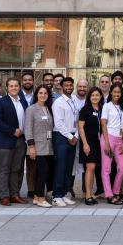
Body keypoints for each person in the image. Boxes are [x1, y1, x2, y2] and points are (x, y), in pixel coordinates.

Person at [0, 77, 28, 206]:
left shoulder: (23, 102)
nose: (14, 88)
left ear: (19, 87)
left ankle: (14, 195)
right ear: (7, 88)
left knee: (16, 169)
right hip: (5, 141)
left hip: (21, 141)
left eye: (16, 86)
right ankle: (4, 196)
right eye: (11, 86)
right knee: (4, 169)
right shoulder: (0, 102)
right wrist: (13, 131)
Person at [25, 85, 54, 208]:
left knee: (43, 173)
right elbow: (28, 129)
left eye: (45, 93)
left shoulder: (49, 108)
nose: (43, 95)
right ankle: (41, 198)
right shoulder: (31, 109)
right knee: (43, 171)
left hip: (48, 146)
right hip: (37, 146)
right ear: (36, 94)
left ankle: (36, 197)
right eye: (41, 93)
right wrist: (31, 147)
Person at [52, 77, 79, 207]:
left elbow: (78, 120)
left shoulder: (74, 100)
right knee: (61, 166)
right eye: (66, 85)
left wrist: (76, 136)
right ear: (62, 87)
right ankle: (56, 196)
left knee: (69, 167)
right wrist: (70, 136)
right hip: (62, 137)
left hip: (73, 136)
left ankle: (63, 193)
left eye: (70, 85)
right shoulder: (58, 102)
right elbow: (58, 123)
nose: (69, 87)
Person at [101, 83, 123, 204]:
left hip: (119, 139)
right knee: (106, 169)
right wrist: (106, 142)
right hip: (108, 138)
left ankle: (116, 192)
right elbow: (103, 124)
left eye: (119, 92)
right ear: (111, 92)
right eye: (115, 92)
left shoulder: (122, 107)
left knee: (122, 168)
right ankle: (109, 195)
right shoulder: (107, 106)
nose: (116, 94)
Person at [79, 87, 104, 205]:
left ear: (100, 97)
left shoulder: (102, 109)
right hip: (89, 143)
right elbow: (80, 127)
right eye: (93, 95)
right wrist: (85, 143)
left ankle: (91, 193)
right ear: (89, 97)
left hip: (99, 143)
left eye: (97, 95)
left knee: (94, 168)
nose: (95, 97)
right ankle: (88, 195)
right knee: (90, 168)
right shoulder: (86, 109)